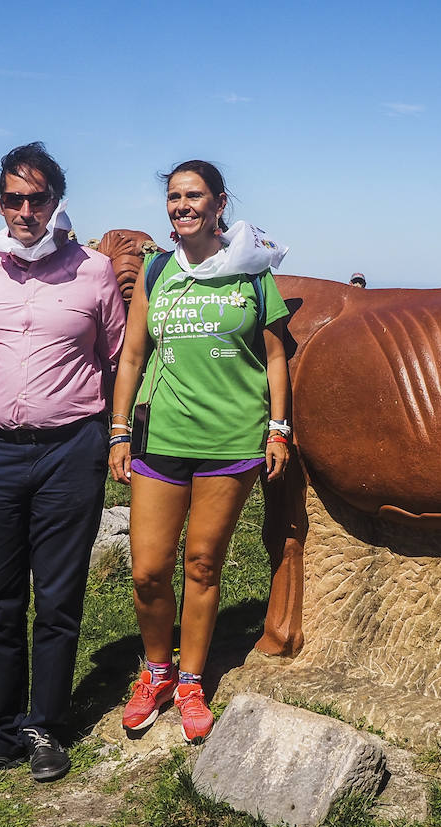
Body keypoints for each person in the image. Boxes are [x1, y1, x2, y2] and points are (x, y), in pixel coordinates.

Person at [0, 142, 126, 791]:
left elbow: (116, 353)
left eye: (37, 197)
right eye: (14, 198)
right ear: (0, 201)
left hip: (70, 451)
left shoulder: (93, 272)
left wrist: (88, 424)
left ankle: (43, 724)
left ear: (56, 202)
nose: (25, 209)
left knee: (59, 599)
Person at [108, 160, 292, 743]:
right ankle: (156, 669)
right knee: (147, 571)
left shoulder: (251, 272)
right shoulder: (158, 270)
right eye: (173, 197)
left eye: (193, 196)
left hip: (231, 439)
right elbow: (132, 356)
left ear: (218, 204)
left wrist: (278, 428)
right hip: (160, 438)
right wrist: (118, 431)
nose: (181, 206)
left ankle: (190, 681)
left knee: (203, 565)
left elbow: (277, 354)